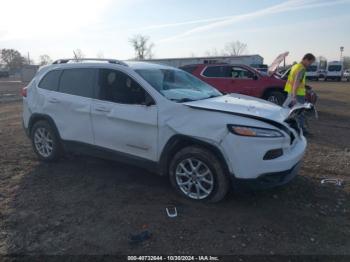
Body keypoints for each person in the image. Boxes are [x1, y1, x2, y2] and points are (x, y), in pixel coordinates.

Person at [283, 53, 316, 135]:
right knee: (299, 113)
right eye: (310, 62)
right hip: (297, 94)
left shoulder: (295, 66)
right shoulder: (301, 69)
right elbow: (296, 82)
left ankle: (286, 126)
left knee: (288, 110)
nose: (310, 64)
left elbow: (295, 81)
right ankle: (302, 131)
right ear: (306, 59)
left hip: (291, 92)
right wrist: (294, 96)